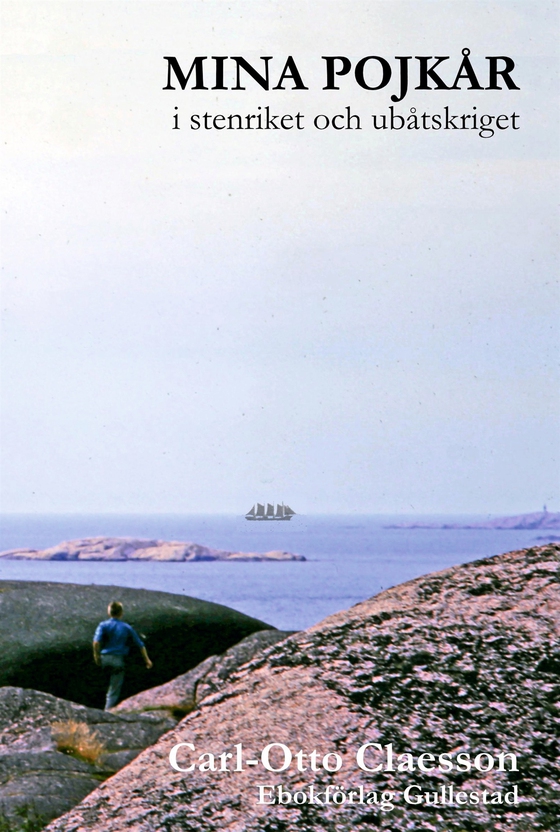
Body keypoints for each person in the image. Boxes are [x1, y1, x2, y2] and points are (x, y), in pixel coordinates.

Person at [93, 600, 153, 710]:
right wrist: (147, 660)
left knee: (102, 684)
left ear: (109, 612)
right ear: (121, 613)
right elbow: (140, 645)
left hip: (104, 658)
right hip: (118, 660)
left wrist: (96, 656)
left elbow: (96, 642)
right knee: (114, 690)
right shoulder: (126, 627)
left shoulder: (103, 625)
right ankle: (107, 712)